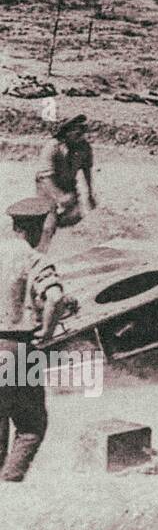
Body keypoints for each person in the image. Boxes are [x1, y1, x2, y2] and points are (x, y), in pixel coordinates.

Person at [0, 197, 71, 481]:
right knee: (31, 426)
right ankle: (11, 482)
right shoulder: (34, 259)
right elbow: (55, 297)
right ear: (39, 227)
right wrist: (47, 331)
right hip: (17, 350)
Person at [35, 114, 95, 230]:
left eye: (83, 131)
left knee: (74, 216)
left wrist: (89, 194)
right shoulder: (52, 147)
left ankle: (62, 235)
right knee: (49, 220)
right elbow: (45, 178)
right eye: (78, 132)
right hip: (48, 187)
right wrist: (60, 197)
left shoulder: (84, 147)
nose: (82, 136)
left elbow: (86, 170)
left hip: (68, 185)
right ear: (67, 133)